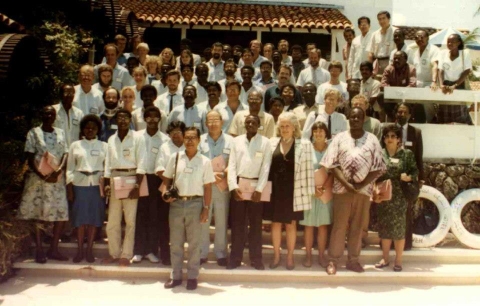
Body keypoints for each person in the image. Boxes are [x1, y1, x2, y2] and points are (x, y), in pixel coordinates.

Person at [321, 107, 386, 275]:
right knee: (339, 226)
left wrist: (361, 184)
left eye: (358, 117)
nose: (355, 119)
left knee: (358, 227)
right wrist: (348, 184)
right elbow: (332, 164)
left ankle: (353, 260)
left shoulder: (372, 140)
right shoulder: (339, 138)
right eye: (352, 117)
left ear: (363, 119)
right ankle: (333, 260)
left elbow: (379, 168)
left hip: (363, 192)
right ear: (348, 118)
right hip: (341, 191)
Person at [162, 127, 215, 291]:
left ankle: (193, 276)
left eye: (193, 138)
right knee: (176, 242)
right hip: (177, 204)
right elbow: (166, 179)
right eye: (187, 137)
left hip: (195, 203)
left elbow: (208, 187)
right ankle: (175, 275)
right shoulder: (175, 157)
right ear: (183, 139)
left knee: (194, 243)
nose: (190, 140)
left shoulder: (205, 161)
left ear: (199, 140)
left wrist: (206, 208)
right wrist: (165, 193)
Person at [18, 106, 69, 263]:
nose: (49, 116)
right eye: (46, 113)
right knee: (37, 213)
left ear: (55, 116)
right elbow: (29, 156)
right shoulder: (34, 133)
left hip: (56, 179)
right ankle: (39, 249)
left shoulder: (60, 132)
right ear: (41, 115)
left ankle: (54, 248)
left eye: (51, 114)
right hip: (38, 180)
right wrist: (42, 175)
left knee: (61, 214)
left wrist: (59, 170)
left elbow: (66, 153)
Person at [265, 112, 315, 270]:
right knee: (276, 224)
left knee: (291, 225)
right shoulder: (271, 143)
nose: (285, 128)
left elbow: (308, 171)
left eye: (288, 126)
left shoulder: (304, 144)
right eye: (282, 126)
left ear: (294, 127)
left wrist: (310, 193)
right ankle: (276, 255)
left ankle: (290, 257)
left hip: (294, 190)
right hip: (275, 189)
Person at [227, 115, 273, 270]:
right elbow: (232, 165)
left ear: (259, 125)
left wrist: (259, 189)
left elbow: (266, 167)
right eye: (248, 122)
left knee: (255, 225)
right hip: (239, 185)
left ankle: (256, 259)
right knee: (238, 224)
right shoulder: (236, 141)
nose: (251, 124)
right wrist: (233, 186)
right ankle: (235, 258)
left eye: (254, 122)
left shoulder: (265, 142)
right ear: (244, 125)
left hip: (256, 187)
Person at [101, 109, 146, 267]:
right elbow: (107, 164)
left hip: (131, 178)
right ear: (115, 121)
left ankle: (126, 255)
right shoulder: (111, 139)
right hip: (114, 179)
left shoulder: (137, 138)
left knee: (130, 221)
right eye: (119, 118)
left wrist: (137, 185)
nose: (122, 121)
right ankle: (114, 253)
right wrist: (107, 184)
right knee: (113, 220)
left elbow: (142, 163)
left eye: (125, 118)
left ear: (130, 121)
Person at [373, 124, 418, 272]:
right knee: (385, 229)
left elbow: (415, 173)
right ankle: (385, 258)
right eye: (387, 136)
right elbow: (373, 176)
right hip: (383, 197)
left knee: (399, 230)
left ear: (399, 139)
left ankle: (398, 260)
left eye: (393, 136)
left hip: (400, 198)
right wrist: (375, 194)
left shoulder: (407, 155)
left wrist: (408, 177)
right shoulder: (379, 154)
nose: (390, 139)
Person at [66, 114, 107, 263]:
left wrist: (106, 186)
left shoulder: (104, 146)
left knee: (94, 219)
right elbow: (70, 168)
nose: (90, 130)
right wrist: (70, 188)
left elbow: (107, 168)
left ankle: (89, 250)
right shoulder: (75, 145)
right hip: (79, 185)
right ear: (83, 129)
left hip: (97, 186)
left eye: (93, 128)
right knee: (80, 219)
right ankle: (80, 250)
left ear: (98, 130)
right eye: (87, 127)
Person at [132, 106, 169, 264]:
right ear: (145, 119)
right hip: (141, 177)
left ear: (159, 120)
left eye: (156, 117)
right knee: (140, 215)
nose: (152, 120)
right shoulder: (137, 136)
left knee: (154, 216)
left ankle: (151, 250)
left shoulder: (165, 139)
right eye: (149, 117)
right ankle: (138, 251)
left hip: (157, 179)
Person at [199, 110, 234, 266]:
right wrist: (210, 173)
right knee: (203, 220)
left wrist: (226, 172)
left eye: (216, 120)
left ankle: (220, 253)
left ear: (222, 122)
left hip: (222, 186)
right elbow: (196, 162)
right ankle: (202, 252)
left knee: (221, 221)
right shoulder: (200, 140)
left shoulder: (231, 141)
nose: (212, 123)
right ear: (206, 124)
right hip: (204, 186)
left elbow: (234, 162)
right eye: (209, 121)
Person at [300, 122, 333, 268]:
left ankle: (321, 256)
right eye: (315, 131)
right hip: (310, 192)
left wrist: (324, 187)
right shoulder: (306, 149)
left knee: (322, 226)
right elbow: (302, 171)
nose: (318, 134)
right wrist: (312, 189)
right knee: (308, 225)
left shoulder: (332, 150)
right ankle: (308, 256)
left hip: (326, 193)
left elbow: (334, 171)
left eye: (321, 131)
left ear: (326, 133)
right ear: (312, 134)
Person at [155, 121, 186, 265]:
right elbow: (159, 169)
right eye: (172, 132)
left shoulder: (189, 146)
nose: (175, 135)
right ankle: (166, 255)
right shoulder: (164, 147)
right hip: (167, 188)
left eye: (179, 132)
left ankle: (180, 255)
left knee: (182, 225)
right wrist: (172, 182)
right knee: (165, 224)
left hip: (187, 189)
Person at [395, 103, 424, 250]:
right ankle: (389, 243)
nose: (401, 115)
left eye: (404, 112)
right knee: (392, 209)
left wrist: (421, 178)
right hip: (393, 175)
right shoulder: (390, 130)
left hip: (409, 177)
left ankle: (406, 244)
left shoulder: (416, 132)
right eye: (399, 112)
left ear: (409, 115)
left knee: (407, 211)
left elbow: (419, 156)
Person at [437, 33, 472, 124]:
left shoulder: (465, 53)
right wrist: (441, 84)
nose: (450, 44)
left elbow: (466, 71)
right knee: (444, 112)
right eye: (448, 42)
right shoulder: (443, 53)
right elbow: (440, 70)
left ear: (458, 43)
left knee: (459, 112)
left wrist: (455, 85)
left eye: (453, 42)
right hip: (446, 86)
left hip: (459, 85)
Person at [408, 30, 440, 123]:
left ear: (428, 38)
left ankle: (430, 122)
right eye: (417, 37)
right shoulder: (413, 51)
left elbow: (435, 66)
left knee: (427, 99)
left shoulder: (434, 50)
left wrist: (434, 81)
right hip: (416, 84)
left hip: (429, 84)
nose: (419, 39)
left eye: (422, 37)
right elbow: (410, 68)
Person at [380, 51, 417, 122]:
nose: (396, 60)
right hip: (392, 97)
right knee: (380, 95)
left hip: (407, 97)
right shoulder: (389, 69)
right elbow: (383, 84)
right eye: (395, 58)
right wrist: (395, 93)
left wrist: (400, 93)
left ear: (405, 60)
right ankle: (394, 118)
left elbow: (412, 85)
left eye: (399, 59)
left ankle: (409, 119)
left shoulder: (411, 69)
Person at [368, 11, 397, 76]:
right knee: (377, 84)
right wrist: (370, 68)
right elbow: (371, 53)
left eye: (384, 18)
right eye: (379, 19)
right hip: (377, 64)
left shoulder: (396, 32)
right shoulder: (375, 34)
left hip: (391, 63)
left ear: (389, 19)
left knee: (389, 84)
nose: (382, 21)